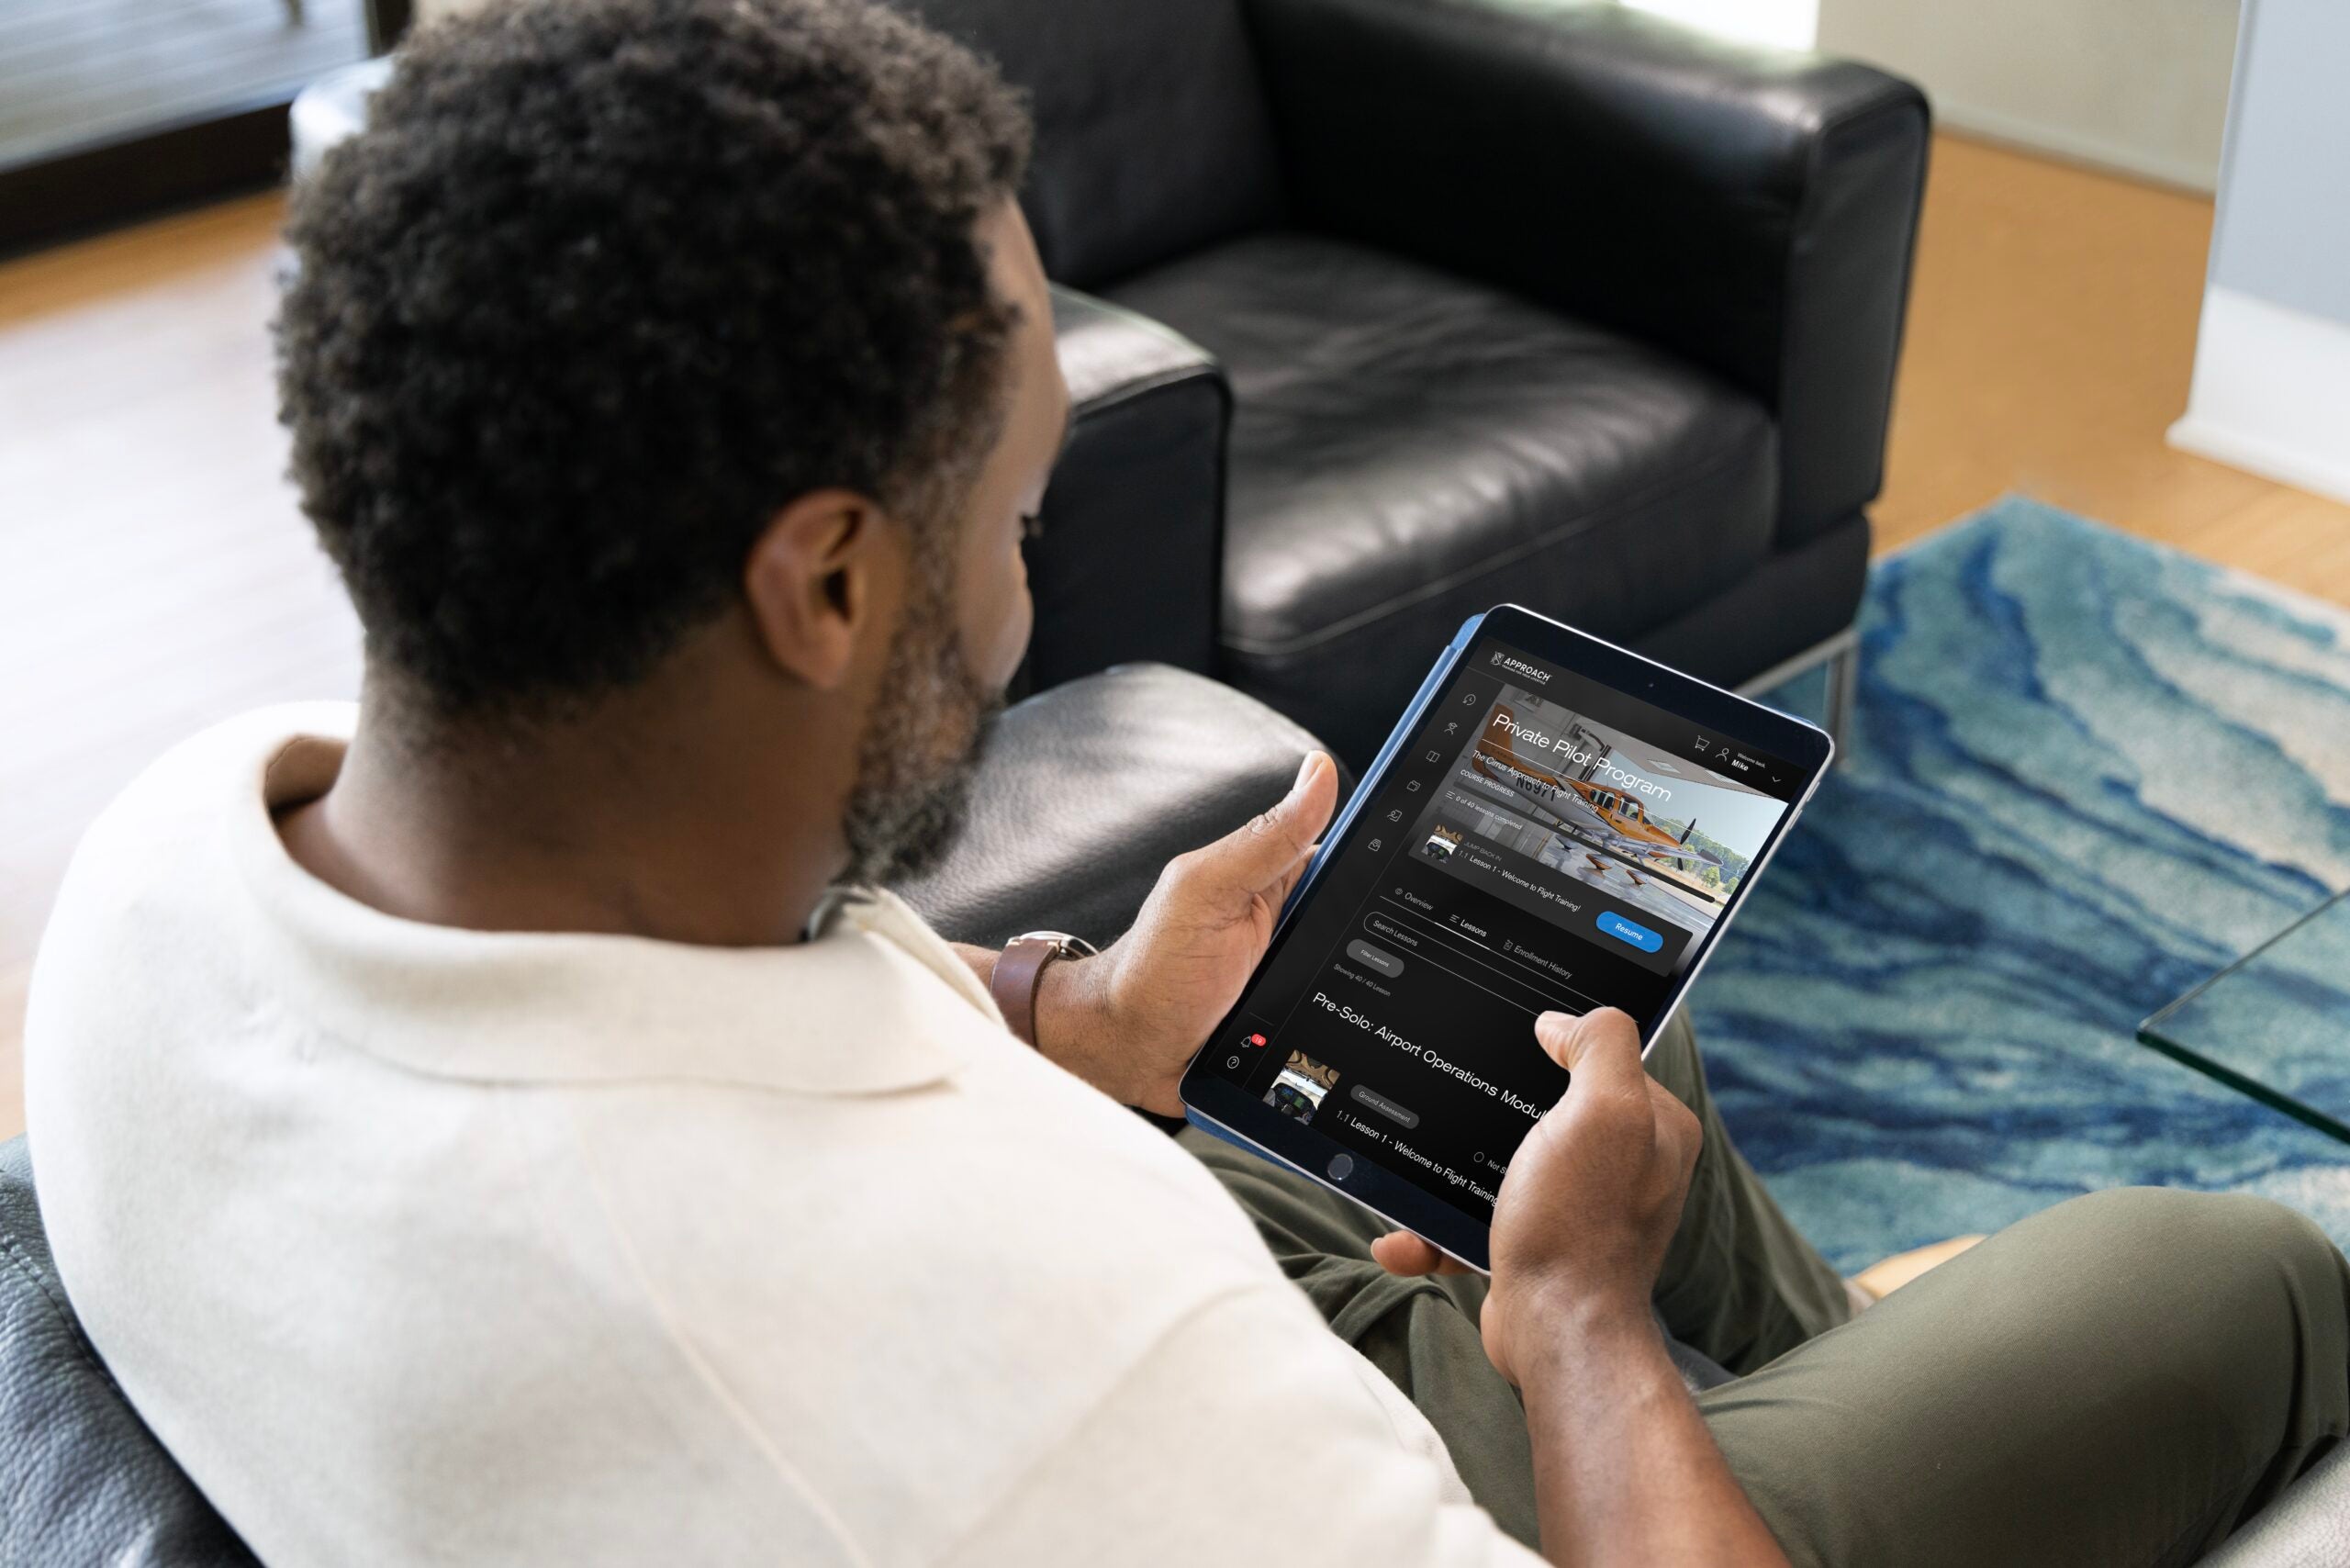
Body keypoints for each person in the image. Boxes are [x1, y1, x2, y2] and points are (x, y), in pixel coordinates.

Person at [23, 2, 2348, 1563]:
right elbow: (1022, 1340)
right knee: (2222, 1266)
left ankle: (1839, 1390)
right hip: (1299, 1441)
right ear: (824, 582)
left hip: (1111, 1285)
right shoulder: (1038, 1342)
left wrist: (1074, 1020)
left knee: (1568, 1038)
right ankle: (1805, 1415)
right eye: (1018, 517)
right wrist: (1570, 1324)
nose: (1024, 599)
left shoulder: (170, 869)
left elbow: (761, 1043)